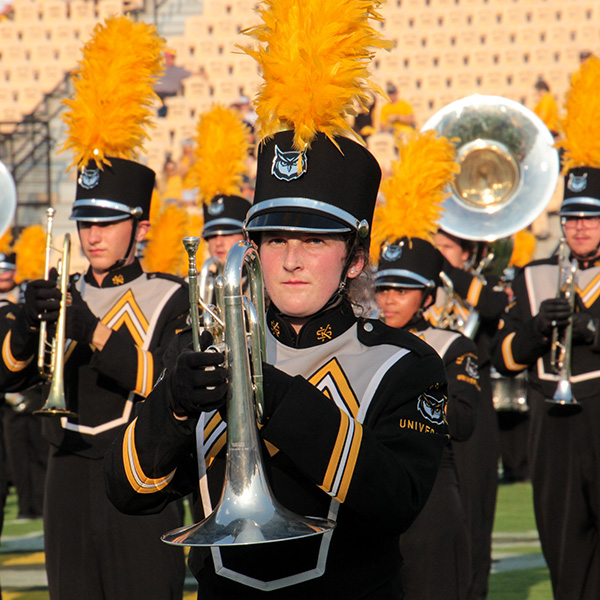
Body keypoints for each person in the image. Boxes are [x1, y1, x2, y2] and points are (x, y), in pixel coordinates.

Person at [104, 2, 449, 597]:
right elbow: (129, 493)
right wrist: (174, 406)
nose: (291, 259)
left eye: (315, 240)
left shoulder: (404, 365)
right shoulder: (211, 352)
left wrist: (273, 391)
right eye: (275, 239)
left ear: (356, 259)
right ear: (253, 249)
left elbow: (395, 501)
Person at [0, 16, 189, 600]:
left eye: (108, 222)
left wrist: (94, 332)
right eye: (86, 221)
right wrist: (30, 329)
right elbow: (12, 378)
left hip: (139, 472)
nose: (93, 234)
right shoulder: (63, 291)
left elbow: (166, 383)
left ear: (142, 227)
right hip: (68, 472)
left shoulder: (169, 295)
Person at [492, 56, 600, 600]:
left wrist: (591, 328)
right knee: (564, 555)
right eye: (572, 217)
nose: (579, 227)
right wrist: (538, 329)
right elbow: (503, 356)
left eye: (591, 217)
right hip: (551, 427)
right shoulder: (533, 275)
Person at [374, 237, 479, 599]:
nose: (388, 299)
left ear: (429, 297)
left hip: (430, 496)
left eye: (402, 290)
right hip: (369, 494)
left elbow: (463, 421)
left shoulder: (452, 346)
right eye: (383, 288)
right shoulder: (360, 345)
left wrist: (405, 394)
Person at [429, 228, 509, 600]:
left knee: (475, 513)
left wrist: (444, 267)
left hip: (474, 408)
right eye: (435, 246)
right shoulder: (417, 288)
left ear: (468, 253)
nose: (438, 253)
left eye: (447, 247)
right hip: (428, 407)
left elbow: (494, 307)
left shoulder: (486, 285)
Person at [154, 49, 191, 118]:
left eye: (172, 58)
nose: (170, 60)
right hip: (158, 94)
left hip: (171, 95)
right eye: (168, 58)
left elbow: (191, 74)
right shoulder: (158, 69)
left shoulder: (178, 70)